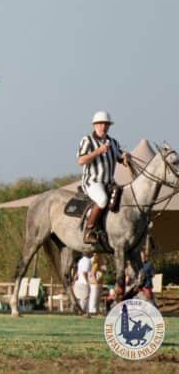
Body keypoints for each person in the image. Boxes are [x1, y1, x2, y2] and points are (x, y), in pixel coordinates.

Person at [76, 110, 132, 244]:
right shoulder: (87, 140)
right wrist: (98, 151)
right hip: (92, 181)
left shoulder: (113, 142)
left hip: (110, 182)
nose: (103, 126)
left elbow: (120, 159)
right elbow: (81, 161)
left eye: (106, 124)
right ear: (94, 125)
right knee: (102, 200)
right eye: (100, 124)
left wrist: (126, 158)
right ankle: (89, 231)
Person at [74, 251, 92, 317]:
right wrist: (87, 283)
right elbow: (84, 273)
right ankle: (83, 313)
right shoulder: (87, 261)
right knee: (84, 300)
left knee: (80, 300)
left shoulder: (80, 260)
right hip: (83, 283)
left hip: (78, 282)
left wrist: (74, 282)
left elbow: (76, 274)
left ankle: (82, 313)